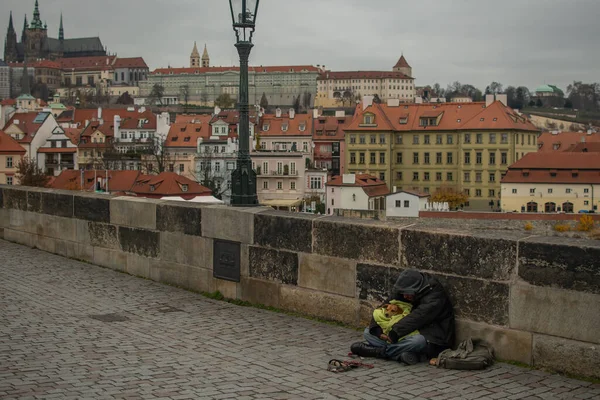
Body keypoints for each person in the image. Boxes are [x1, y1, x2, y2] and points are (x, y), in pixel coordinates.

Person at [351, 269, 455, 365]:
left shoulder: (435, 295)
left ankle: (380, 352)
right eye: (403, 293)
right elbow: (382, 308)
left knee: (418, 341)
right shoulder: (404, 290)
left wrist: (394, 333)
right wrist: (377, 329)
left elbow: (417, 317)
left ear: (416, 288)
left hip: (432, 337)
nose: (404, 296)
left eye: (407, 293)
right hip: (406, 332)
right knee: (368, 332)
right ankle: (402, 355)